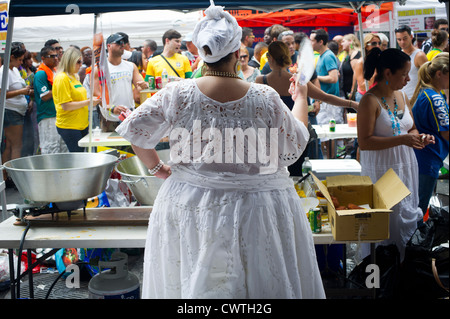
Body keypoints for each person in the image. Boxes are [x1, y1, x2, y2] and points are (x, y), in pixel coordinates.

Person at [116, 1, 325, 299]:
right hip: (261, 206)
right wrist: (301, 98)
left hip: (191, 202)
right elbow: (296, 140)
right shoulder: (263, 96)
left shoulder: (177, 92)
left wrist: (156, 167)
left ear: (201, 51)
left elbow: (135, 132)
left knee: (194, 281)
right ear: (237, 51)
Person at [357, 48, 434, 261]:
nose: (408, 79)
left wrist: (419, 138)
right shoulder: (369, 101)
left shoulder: (402, 95)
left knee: (407, 222)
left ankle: (403, 276)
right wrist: (403, 140)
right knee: (385, 226)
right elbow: (364, 143)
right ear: (388, 73)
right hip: (382, 172)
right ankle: (381, 279)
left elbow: (410, 128)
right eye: (404, 74)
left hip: (406, 167)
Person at [410, 52, 449, 216]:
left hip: (423, 158)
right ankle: (413, 242)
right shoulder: (435, 97)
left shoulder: (430, 93)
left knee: (418, 208)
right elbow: (447, 132)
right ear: (439, 74)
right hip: (427, 159)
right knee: (418, 210)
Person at [94, 33, 148, 132]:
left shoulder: (131, 66)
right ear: (109, 46)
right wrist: (111, 108)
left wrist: (144, 85)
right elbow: (96, 94)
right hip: (110, 117)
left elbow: (139, 84)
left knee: (131, 146)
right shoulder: (100, 69)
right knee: (112, 147)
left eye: (123, 42)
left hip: (129, 115)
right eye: (118, 42)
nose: (122, 45)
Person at [52, 47, 101, 152]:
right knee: (77, 156)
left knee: (81, 156)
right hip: (69, 125)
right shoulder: (62, 78)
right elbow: (65, 105)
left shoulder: (74, 77)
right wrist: (89, 102)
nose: (80, 65)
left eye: (81, 62)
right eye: (78, 62)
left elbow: (78, 99)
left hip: (81, 124)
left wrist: (90, 100)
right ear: (70, 61)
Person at [0, 43, 32, 176]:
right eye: (19, 59)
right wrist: (22, 91)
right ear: (11, 57)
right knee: (16, 145)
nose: (21, 62)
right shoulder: (4, 71)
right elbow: (2, 94)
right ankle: (15, 177)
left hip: (17, 111)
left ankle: (7, 176)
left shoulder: (13, 69)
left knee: (10, 145)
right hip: (11, 111)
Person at [34, 46, 68, 154]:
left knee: (62, 148)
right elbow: (45, 95)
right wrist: (61, 89)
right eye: (52, 56)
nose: (56, 58)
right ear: (43, 58)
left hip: (58, 116)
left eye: (56, 55)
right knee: (51, 148)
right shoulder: (41, 73)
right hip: (47, 117)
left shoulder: (54, 72)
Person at [395, 25, 428, 102]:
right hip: (402, 99)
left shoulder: (419, 55)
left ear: (411, 36)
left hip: (416, 100)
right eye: (399, 39)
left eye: (405, 38)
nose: (402, 42)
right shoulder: (400, 54)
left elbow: (428, 79)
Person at [340, 33, 362, 100]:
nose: (341, 44)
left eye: (343, 41)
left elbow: (356, 73)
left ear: (350, 41)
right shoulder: (348, 55)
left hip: (353, 93)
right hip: (347, 91)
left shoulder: (355, 53)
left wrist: (352, 92)